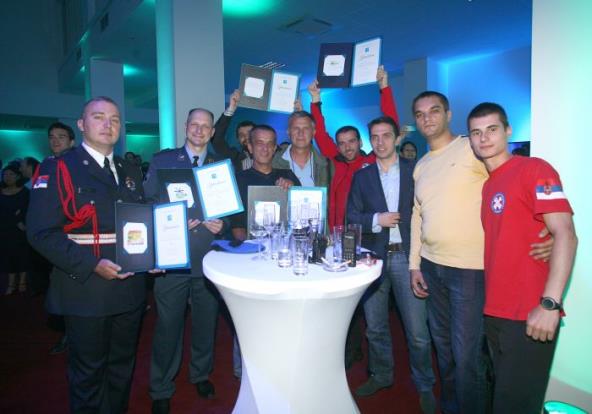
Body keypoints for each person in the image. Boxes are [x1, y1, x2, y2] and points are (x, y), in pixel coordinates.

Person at [409, 91, 554, 413]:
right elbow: (419, 213)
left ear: (448, 114)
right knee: (444, 351)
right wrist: (414, 264)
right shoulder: (421, 165)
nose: (427, 118)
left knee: (468, 358)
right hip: (432, 266)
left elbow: (515, 184)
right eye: (419, 114)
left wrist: (549, 229)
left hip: (470, 271)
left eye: (434, 110)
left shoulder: (472, 148)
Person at [26, 96, 146, 413]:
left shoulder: (130, 169)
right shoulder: (59, 167)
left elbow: (141, 223)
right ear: (81, 124)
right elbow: (40, 232)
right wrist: (92, 264)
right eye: (99, 117)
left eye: (115, 119)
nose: (108, 124)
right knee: (88, 375)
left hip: (130, 288)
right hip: (86, 289)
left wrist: (156, 255)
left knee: (122, 368)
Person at [467, 102, 577, 413]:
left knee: (516, 405)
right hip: (495, 311)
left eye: (492, 129)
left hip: (530, 312)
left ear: (508, 130)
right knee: (502, 399)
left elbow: (566, 234)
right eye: (476, 132)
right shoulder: (489, 185)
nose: (484, 138)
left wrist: (550, 304)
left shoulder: (534, 169)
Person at [347, 116, 436, 412]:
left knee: (418, 332)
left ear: (397, 138)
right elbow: (351, 216)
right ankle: (382, 375)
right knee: (375, 327)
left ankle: (425, 385)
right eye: (375, 137)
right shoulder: (362, 176)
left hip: (409, 258)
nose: (380, 142)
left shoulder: (416, 170)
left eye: (386, 135)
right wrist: (377, 219)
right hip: (372, 259)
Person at [144, 107, 226, 414]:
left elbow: (231, 213)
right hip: (172, 259)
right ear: (186, 126)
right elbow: (148, 203)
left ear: (212, 132)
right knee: (168, 327)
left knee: (206, 323)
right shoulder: (163, 161)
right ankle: (161, 387)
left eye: (206, 126)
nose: (199, 130)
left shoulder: (221, 165)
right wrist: (173, 218)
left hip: (208, 259)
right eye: (195, 124)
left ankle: (200, 374)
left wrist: (223, 224)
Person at [308, 65, 399, 229]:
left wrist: (384, 88)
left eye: (351, 141)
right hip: (335, 233)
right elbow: (319, 133)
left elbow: (390, 125)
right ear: (337, 147)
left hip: (365, 232)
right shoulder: (334, 162)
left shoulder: (372, 161)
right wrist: (315, 99)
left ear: (360, 142)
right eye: (342, 143)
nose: (347, 147)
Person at [230, 124, 300, 240]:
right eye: (260, 143)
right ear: (250, 147)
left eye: (270, 144)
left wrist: (294, 190)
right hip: (251, 246)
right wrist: (249, 247)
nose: (265, 148)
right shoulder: (237, 180)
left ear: (274, 148)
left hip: (283, 245)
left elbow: (301, 215)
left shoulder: (288, 175)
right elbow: (237, 226)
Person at [272, 111, 331, 188]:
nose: (300, 133)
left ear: (313, 133)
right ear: (288, 132)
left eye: (306, 129)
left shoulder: (327, 165)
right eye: (296, 128)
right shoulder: (272, 161)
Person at [210, 89, 256, 171]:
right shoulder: (234, 156)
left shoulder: (272, 155)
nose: (246, 137)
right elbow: (216, 139)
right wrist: (231, 109)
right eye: (241, 135)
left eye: (249, 133)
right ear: (238, 140)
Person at [1, 164, 30, 294]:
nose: (7, 177)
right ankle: (11, 283)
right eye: (5, 174)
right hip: (4, 229)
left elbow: (26, 210)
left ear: (18, 176)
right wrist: (14, 214)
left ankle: (22, 282)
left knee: (22, 255)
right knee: (7, 255)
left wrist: (19, 218)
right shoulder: (1, 191)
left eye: (11, 174)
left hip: (20, 229)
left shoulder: (25, 192)